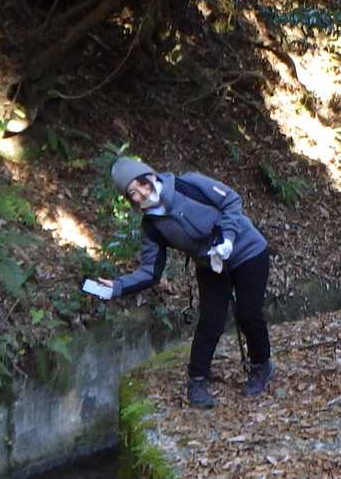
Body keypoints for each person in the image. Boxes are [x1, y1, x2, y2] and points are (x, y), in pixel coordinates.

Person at [90, 156, 273, 408]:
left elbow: (231, 200)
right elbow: (150, 271)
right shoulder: (151, 227)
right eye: (133, 192)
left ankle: (261, 365)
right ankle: (197, 381)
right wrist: (118, 286)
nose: (142, 192)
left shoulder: (188, 184)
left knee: (248, 313)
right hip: (210, 264)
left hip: (247, 250)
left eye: (142, 183)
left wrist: (228, 237)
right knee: (210, 321)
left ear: (151, 175)